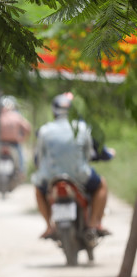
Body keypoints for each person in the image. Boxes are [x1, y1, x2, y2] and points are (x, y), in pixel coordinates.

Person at [31, 92, 110, 239]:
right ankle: (93, 224)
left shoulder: (44, 130)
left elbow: (39, 157)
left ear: (53, 110)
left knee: (38, 189)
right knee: (101, 185)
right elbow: (87, 155)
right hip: (80, 176)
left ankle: (49, 226)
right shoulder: (82, 128)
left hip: (50, 178)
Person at [0, 96, 32, 176]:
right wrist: (23, 138)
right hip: (13, 143)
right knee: (20, 154)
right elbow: (27, 128)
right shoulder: (17, 115)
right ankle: (21, 172)